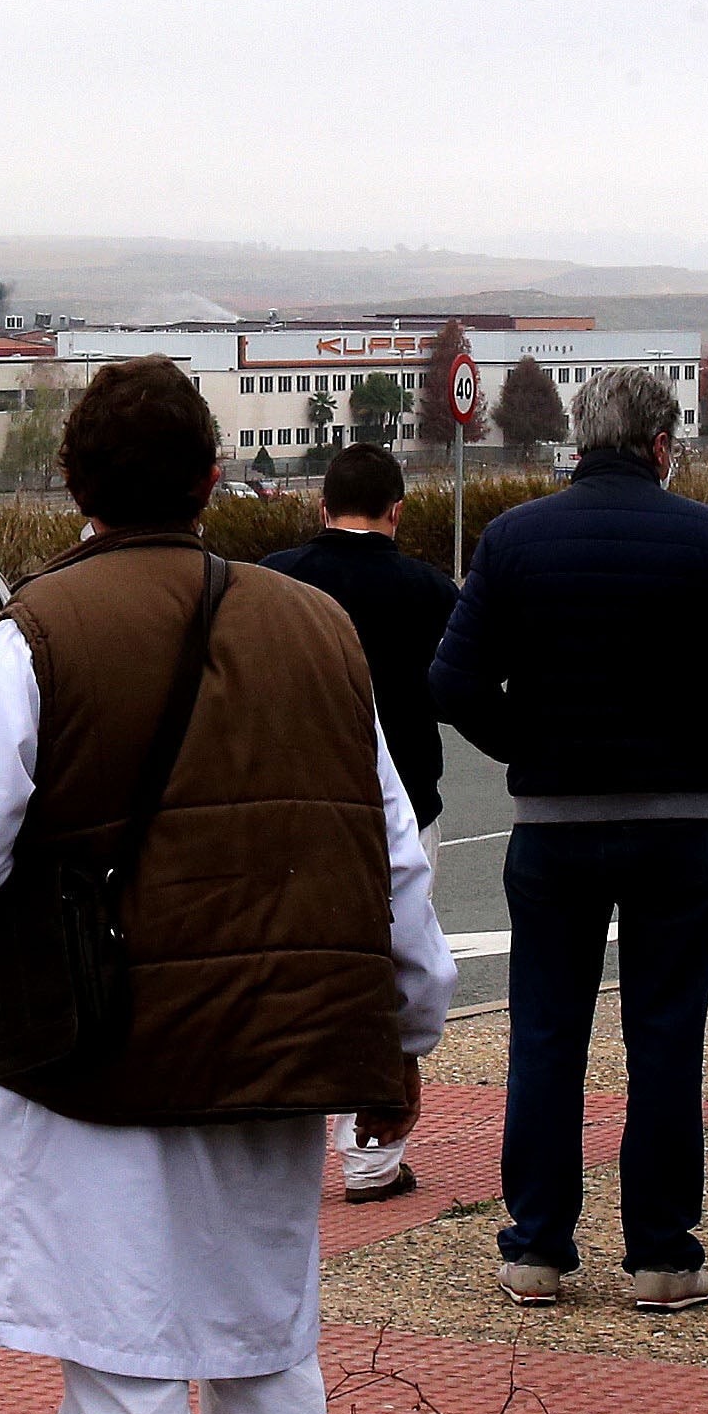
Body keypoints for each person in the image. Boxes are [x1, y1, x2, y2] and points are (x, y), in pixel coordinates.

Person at [0, 357, 452, 1414]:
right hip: (277, 1056)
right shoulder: (318, 628)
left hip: (96, 1058)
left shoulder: (38, 632)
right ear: (214, 479)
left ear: (74, 481)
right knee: (265, 1362)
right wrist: (405, 1034)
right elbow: (394, 857)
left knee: (127, 1381)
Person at [430, 367, 708, 1311]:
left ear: (579, 440)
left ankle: (538, 1249)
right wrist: (705, 753)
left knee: (547, 1036)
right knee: (665, 1038)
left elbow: (455, 681)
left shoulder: (512, 541)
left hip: (552, 826)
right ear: (662, 445)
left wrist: (530, 748)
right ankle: (663, 1255)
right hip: (675, 826)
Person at [264, 440, 459, 1205]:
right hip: (404, 803)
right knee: (386, 971)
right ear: (398, 509)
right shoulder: (430, 590)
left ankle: (275, 1146)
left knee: (299, 970)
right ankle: (371, 1158)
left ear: (321, 505)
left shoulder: (274, 581)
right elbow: (456, 688)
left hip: (295, 803)